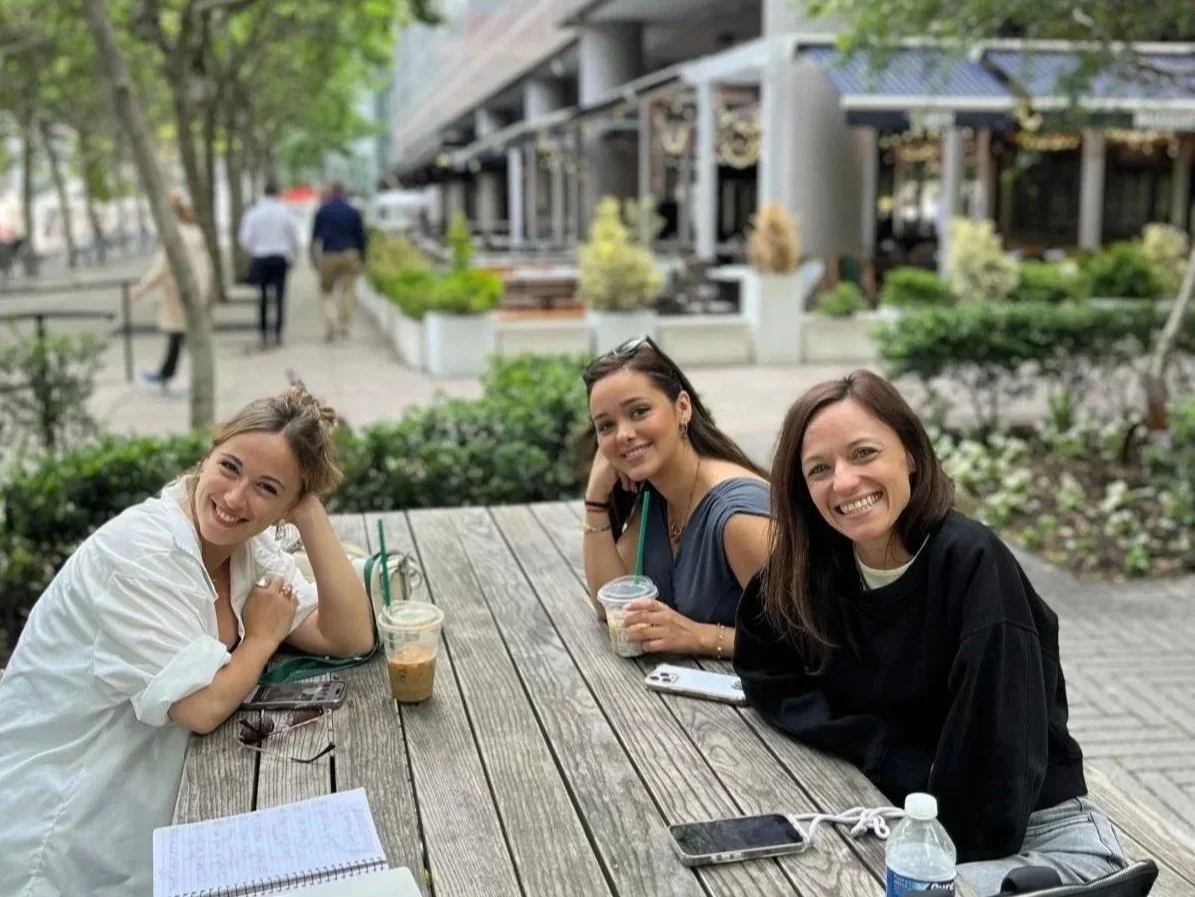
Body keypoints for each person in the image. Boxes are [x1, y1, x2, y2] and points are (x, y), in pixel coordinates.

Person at [733, 370, 1128, 896]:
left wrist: (927, 865)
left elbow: (998, 771)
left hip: (1036, 829)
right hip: (912, 814)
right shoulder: (819, 566)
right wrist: (876, 747)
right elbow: (763, 664)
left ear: (911, 456)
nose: (844, 482)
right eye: (819, 469)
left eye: (865, 453)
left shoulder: (973, 563)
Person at [0, 386, 376, 897]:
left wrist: (310, 515)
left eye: (268, 488)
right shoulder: (139, 555)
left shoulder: (249, 549)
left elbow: (347, 634)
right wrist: (261, 638)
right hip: (60, 829)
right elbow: (200, 708)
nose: (235, 498)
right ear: (208, 454)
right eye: (230, 467)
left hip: (150, 815)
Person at [582, 336, 771, 657]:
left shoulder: (737, 519)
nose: (624, 434)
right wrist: (595, 503)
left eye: (639, 411)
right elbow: (611, 606)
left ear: (682, 407)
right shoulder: (656, 497)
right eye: (606, 426)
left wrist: (702, 637)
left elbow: (813, 643)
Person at [130, 192, 213, 392]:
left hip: (178, 291)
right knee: (181, 334)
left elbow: (162, 266)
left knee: (181, 332)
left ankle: (173, 374)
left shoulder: (173, 235)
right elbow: (206, 264)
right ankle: (169, 372)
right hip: (197, 288)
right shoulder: (194, 231)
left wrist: (142, 288)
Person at [239, 182, 298, 348]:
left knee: (262, 296)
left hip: (261, 257)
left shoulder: (254, 212)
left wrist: (253, 251)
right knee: (280, 296)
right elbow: (293, 236)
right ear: (278, 193)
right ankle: (278, 332)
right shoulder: (284, 211)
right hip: (280, 256)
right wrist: (292, 254)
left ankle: (263, 332)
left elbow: (244, 238)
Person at [310, 180, 368, 342]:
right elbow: (362, 237)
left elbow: (315, 237)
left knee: (326, 291)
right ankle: (344, 324)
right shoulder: (353, 212)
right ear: (343, 192)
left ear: (331, 192)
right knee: (348, 291)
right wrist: (363, 258)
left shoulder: (323, 211)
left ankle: (331, 322)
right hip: (351, 253)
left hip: (329, 254)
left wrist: (313, 258)